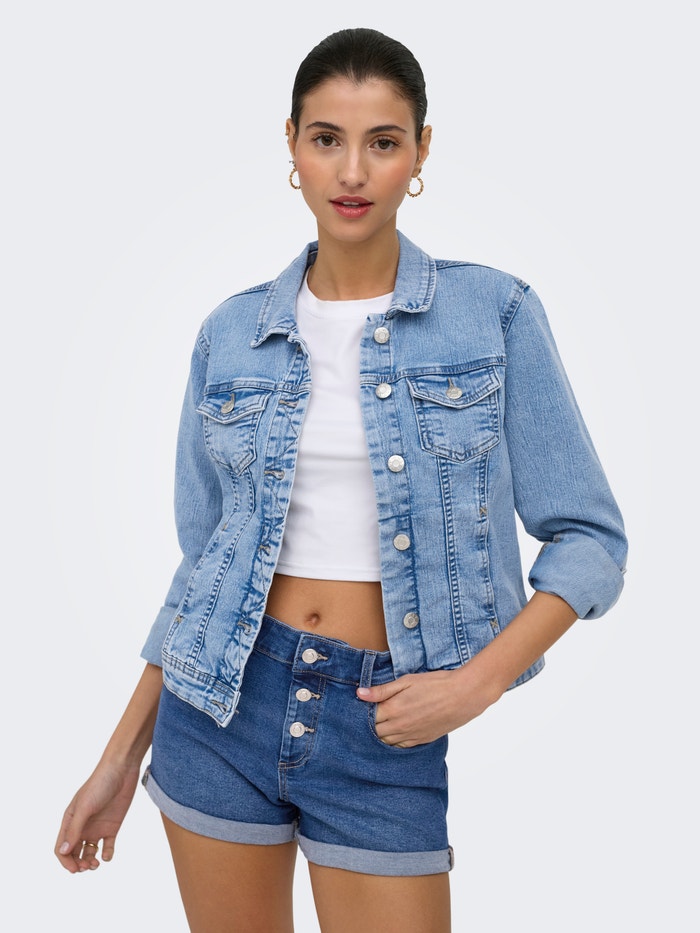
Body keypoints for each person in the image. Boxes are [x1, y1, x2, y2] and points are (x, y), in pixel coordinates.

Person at [55, 27, 627, 933]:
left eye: (382, 142)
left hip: (385, 724)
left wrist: (475, 682)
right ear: (292, 145)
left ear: (421, 152)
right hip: (219, 713)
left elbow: (590, 540)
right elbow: (206, 567)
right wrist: (121, 755)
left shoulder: (496, 313)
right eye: (327, 139)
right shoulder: (231, 333)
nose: (352, 171)